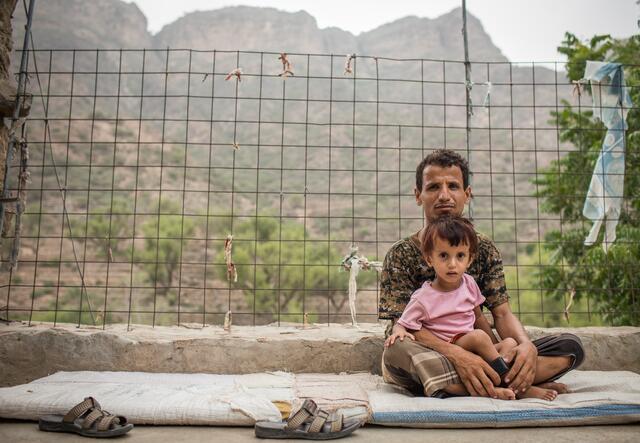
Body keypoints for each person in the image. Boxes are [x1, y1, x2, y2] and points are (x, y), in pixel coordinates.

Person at [380, 149, 584, 399]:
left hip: (479, 350)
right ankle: (510, 383)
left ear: (467, 194)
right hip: (430, 352)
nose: (444, 195)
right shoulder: (401, 254)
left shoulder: (483, 248)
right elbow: (403, 325)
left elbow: (501, 312)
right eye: (433, 187)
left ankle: (476, 382)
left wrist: (526, 346)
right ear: (418, 195)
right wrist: (459, 355)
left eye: (453, 186)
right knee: (396, 350)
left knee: (570, 348)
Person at [385, 215, 557, 401]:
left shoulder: (469, 284)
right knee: (478, 337)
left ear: (470, 259)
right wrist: (398, 331)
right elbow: (404, 324)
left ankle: (490, 378)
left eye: (460, 256)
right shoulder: (423, 297)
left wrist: (493, 347)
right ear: (429, 258)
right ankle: (510, 385)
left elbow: (479, 318)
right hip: (449, 349)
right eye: (443, 256)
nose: (452, 264)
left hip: (475, 348)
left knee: (509, 343)